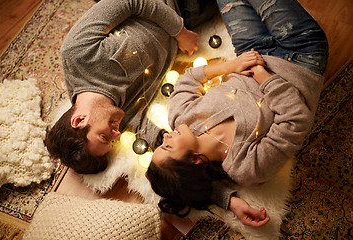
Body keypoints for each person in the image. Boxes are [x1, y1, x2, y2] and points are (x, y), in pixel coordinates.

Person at [146, 0, 328, 227]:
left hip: (250, 48)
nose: (166, 136)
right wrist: (262, 75)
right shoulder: (246, 166)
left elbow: (188, 79)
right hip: (301, 56)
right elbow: (296, 118)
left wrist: (230, 67)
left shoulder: (183, 118)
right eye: (168, 146)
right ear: (194, 160)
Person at [44, 0, 217, 174]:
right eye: (111, 141)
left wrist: (180, 32)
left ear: (79, 120)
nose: (116, 134)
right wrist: (226, 197)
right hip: (192, 17)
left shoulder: (78, 53)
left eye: (104, 137)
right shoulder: (120, 117)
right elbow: (176, 162)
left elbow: (131, 2)